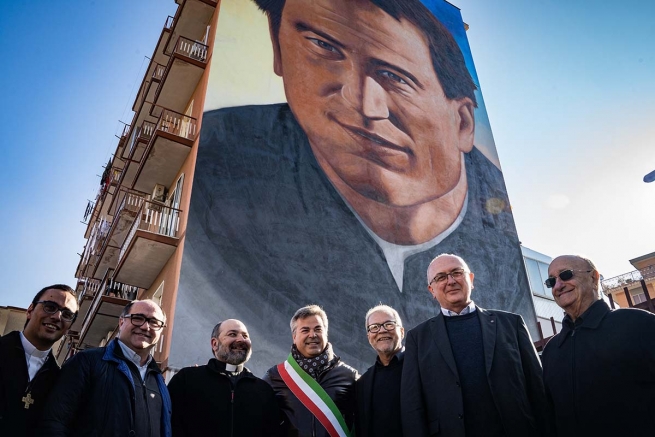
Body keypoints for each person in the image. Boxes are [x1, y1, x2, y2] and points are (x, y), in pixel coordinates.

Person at [176, 0, 534, 375]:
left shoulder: (501, 253)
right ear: (278, 47)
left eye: (396, 77)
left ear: (462, 121)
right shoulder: (215, 165)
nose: (362, 102)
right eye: (323, 47)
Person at [401, 254, 550, 437]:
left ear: (471, 279)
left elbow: (538, 388)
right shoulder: (417, 339)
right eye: (441, 277)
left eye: (457, 273)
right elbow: (412, 405)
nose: (450, 281)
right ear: (431, 290)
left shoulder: (512, 324)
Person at [542, 255, 655, 437]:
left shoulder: (639, 324)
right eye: (551, 281)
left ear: (594, 278)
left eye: (566, 275)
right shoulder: (551, 350)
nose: (558, 286)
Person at [39, 299, 172, 437]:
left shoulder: (158, 380)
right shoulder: (86, 362)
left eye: (154, 322)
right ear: (121, 322)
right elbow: (54, 421)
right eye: (138, 318)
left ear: (161, 330)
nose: (145, 327)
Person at [167, 319, 284, 436]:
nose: (241, 339)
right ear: (214, 344)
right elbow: (169, 425)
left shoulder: (263, 390)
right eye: (232, 334)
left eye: (245, 336)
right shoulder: (187, 380)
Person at [263, 305, 358, 437]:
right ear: (294, 337)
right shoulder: (275, 376)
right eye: (305, 330)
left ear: (326, 333)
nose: (312, 335)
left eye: (318, 329)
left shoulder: (349, 376)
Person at [0, 285, 78, 437]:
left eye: (67, 314)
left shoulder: (60, 379)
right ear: (30, 310)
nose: (57, 317)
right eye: (50, 307)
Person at [356, 305, 405, 437]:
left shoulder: (422, 367)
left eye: (389, 324)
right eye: (374, 327)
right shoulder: (363, 383)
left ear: (401, 331)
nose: (382, 331)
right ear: (369, 337)